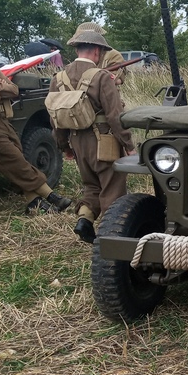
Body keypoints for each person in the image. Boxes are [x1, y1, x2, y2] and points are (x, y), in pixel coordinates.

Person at [49, 29, 135, 243]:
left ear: (77, 49)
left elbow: (56, 118)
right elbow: (115, 116)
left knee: (92, 186)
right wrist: (128, 144)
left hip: (77, 142)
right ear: (97, 51)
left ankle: (84, 219)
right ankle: (110, 237)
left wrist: (64, 146)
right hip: (104, 142)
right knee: (112, 188)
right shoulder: (102, 77)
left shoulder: (58, 78)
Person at [0, 34, 72, 214]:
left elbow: (13, 90)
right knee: (13, 158)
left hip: (2, 121)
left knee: (17, 158)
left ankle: (33, 201)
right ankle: (50, 194)